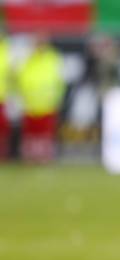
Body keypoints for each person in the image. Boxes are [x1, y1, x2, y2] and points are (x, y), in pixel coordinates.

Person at [15, 33, 65, 163]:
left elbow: (60, 80)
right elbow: (19, 77)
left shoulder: (53, 58)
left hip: (47, 104)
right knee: (31, 135)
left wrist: (58, 99)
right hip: (30, 104)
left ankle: (44, 157)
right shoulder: (26, 58)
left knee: (45, 135)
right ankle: (30, 158)